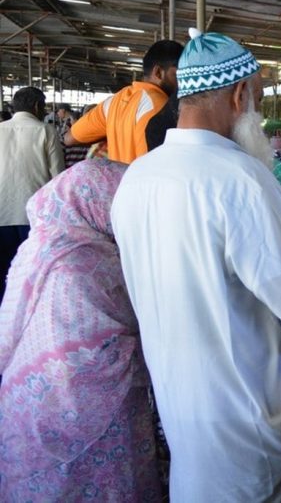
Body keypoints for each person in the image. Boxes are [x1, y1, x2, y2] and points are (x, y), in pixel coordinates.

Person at [111, 30, 281, 502]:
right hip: (248, 414)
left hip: (183, 406)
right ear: (239, 94)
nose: (256, 113)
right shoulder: (241, 180)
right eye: (257, 98)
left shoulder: (138, 177)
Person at [0, 158, 160, 501]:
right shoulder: (85, 261)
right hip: (75, 414)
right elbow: (96, 350)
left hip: (27, 407)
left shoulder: (38, 244)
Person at [65, 39, 184, 163]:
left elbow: (69, 138)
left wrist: (111, 137)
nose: (183, 82)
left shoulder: (113, 102)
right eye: (179, 75)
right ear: (158, 72)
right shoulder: (163, 107)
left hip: (120, 181)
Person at [0, 87, 64, 293]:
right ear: (37, 106)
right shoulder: (46, 131)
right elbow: (58, 178)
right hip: (35, 215)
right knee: (32, 274)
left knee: (3, 271)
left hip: (2, 214)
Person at [55, 102, 88, 167]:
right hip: (82, 165)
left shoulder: (69, 123)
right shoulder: (74, 120)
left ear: (63, 110)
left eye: (58, 111)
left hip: (71, 164)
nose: (57, 113)